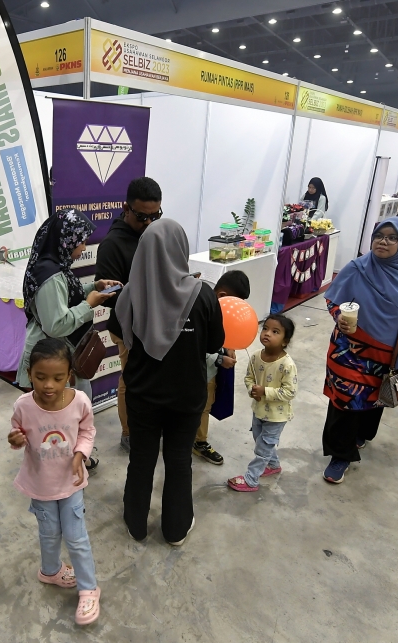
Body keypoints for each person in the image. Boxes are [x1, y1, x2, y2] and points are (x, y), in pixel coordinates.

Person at [117, 219, 225, 545]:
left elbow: (121, 335)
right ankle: (176, 529)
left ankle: (136, 524)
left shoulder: (130, 294)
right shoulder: (204, 295)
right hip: (186, 396)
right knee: (179, 461)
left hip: (142, 394)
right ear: (181, 250)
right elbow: (214, 343)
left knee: (141, 459)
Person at [321, 218, 398, 484]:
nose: (383, 241)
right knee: (345, 400)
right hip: (348, 350)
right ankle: (340, 454)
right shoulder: (358, 268)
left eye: (392, 237)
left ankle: (361, 435)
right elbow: (334, 299)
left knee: (375, 398)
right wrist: (339, 316)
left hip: (388, 355)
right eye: (379, 236)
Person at [8, 338, 100, 626]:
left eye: (58, 378)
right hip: (40, 486)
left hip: (71, 484)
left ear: (69, 375)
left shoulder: (79, 401)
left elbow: (87, 431)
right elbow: (17, 434)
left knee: (76, 537)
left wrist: (80, 455)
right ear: (29, 373)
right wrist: (15, 439)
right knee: (48, 534)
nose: (49, 385)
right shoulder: (23, 405)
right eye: (40, 377)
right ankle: (50, 571)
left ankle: (88, 589)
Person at [18, 208, 120, 411]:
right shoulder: (50, 275)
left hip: (61, 356)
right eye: (81, 241)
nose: (84, 247)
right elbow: (55, 325)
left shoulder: (56, 267)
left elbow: (63, 296)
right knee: (59, 421)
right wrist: (88, 304)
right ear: (66, 240)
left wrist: (94, 287)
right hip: (52, 362)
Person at [94, 176, 162, 453]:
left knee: (152, 381)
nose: (149, 222)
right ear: (126, 208)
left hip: (156, 323)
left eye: (155, 215)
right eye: (142, 216)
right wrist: (147, 294)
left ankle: (148, 424)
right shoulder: (112, 245)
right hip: (128, 327)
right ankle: (129, 432)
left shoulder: (154, 234)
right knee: (132, 381)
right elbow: (110, 297)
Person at [227, 315, 297, 492]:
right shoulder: (256, 357)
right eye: (265, 328)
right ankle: (273, 465)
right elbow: (249, 377)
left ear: (285, 341)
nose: (267, 333)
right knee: (259, 439)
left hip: (276, 416)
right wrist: (252, 389)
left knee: (263, 448)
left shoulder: (287, 365)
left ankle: (251, 480)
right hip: (258, 410)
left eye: (275, 331)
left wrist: (264, 391)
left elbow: (290, 392)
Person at [196, 271, 250, 466]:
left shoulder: (223, 310)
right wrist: (219, 359)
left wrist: (229, 346)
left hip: (210, 372)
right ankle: (193, 441)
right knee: (194, 407)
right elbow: (192, 347)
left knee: (205, 405)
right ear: (222, 296)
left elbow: (226, 332)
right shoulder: (199, 311)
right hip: (195, 372)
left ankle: (199, 440)